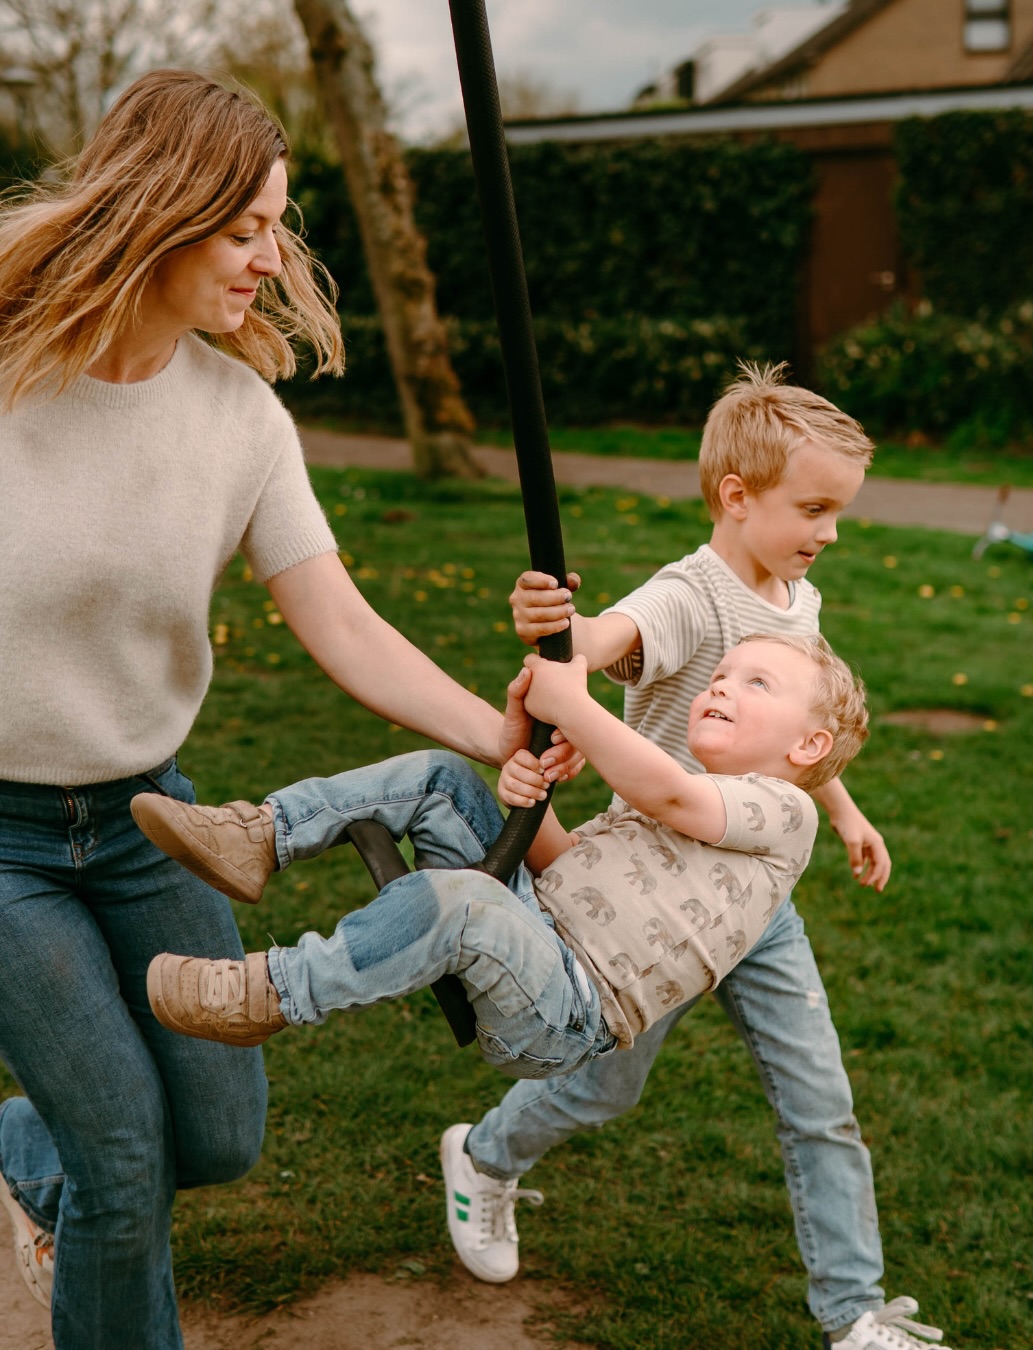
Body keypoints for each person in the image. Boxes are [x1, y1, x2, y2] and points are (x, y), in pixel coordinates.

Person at [0, 68, 572, 1350]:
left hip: (147, 818)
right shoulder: (7, 367)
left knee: (218, 1135)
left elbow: (345, 623)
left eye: (281, 224)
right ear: (166, 207)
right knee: (126, 1164)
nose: (274, 257)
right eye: (247, 226)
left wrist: (504, 730)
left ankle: (20, 1157)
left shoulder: (238, 421)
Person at [435, 364, 955, 1350]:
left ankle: (854, 1315)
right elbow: (611, 637)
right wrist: (568, 633)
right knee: (605, 1084)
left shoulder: (796, 598)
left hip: (755, 898)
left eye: (837, 511)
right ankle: (486, 1155)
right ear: (736, 497)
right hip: (655, 901)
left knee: (820, 1097)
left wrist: (842, 809)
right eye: (815, 508)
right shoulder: (688, 597)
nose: (830, 531)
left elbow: (798, 727)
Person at [132, 634, 864, 1093]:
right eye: (722, 675)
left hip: (565, 1011)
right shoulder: (679, 792)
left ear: (807, 748)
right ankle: (260, 835)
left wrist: (577, 709)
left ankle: (269, 994)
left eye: (755, 683)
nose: (721, 686)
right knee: (445, 777)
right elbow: (564, 861)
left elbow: (666, 792)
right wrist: (527, 789)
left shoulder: (785, 811)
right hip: (536, 923)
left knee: (464, 902)